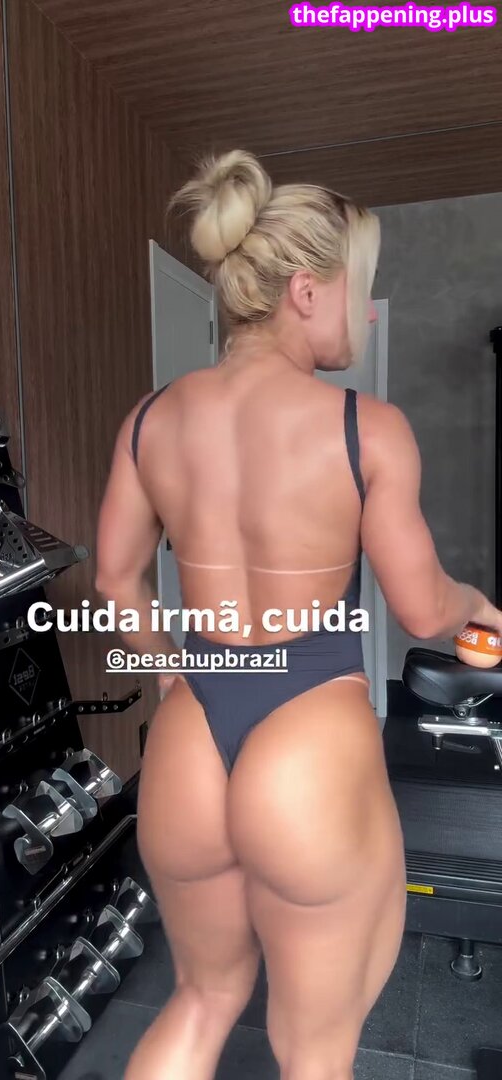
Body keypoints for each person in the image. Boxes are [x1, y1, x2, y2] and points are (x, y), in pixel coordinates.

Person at [94, 150, 502, 1080]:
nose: (365, 314)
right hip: (308, 733)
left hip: (192, 735)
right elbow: (423, 608)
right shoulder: (365, 427)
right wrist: (481, 607)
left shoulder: (150, 421)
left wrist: (170, 672)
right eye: (359, 289)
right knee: (314, 1053)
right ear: (306, 291)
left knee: (198, 1002)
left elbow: (116, 580)